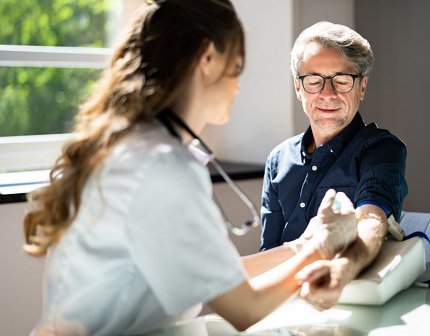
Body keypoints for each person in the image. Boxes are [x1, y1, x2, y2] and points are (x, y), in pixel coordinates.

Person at [23, 3, 358, 336]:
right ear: (208, 57)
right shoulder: (163, 167)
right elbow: (244, 308)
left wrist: (303, 244)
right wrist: (325, 244)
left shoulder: (131, 147)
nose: (238, 86)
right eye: (237, 66)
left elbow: (220, 279)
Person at [260, 21, 408, 309]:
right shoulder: (278, 159)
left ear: (362, 86)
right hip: (283, 305)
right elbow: (269, 252)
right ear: (298, 88)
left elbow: (372, 221)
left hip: (350, 301)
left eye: (341, 80)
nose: (327, 94)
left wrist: (339, 272)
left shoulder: (380, 149)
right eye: (314, 80)